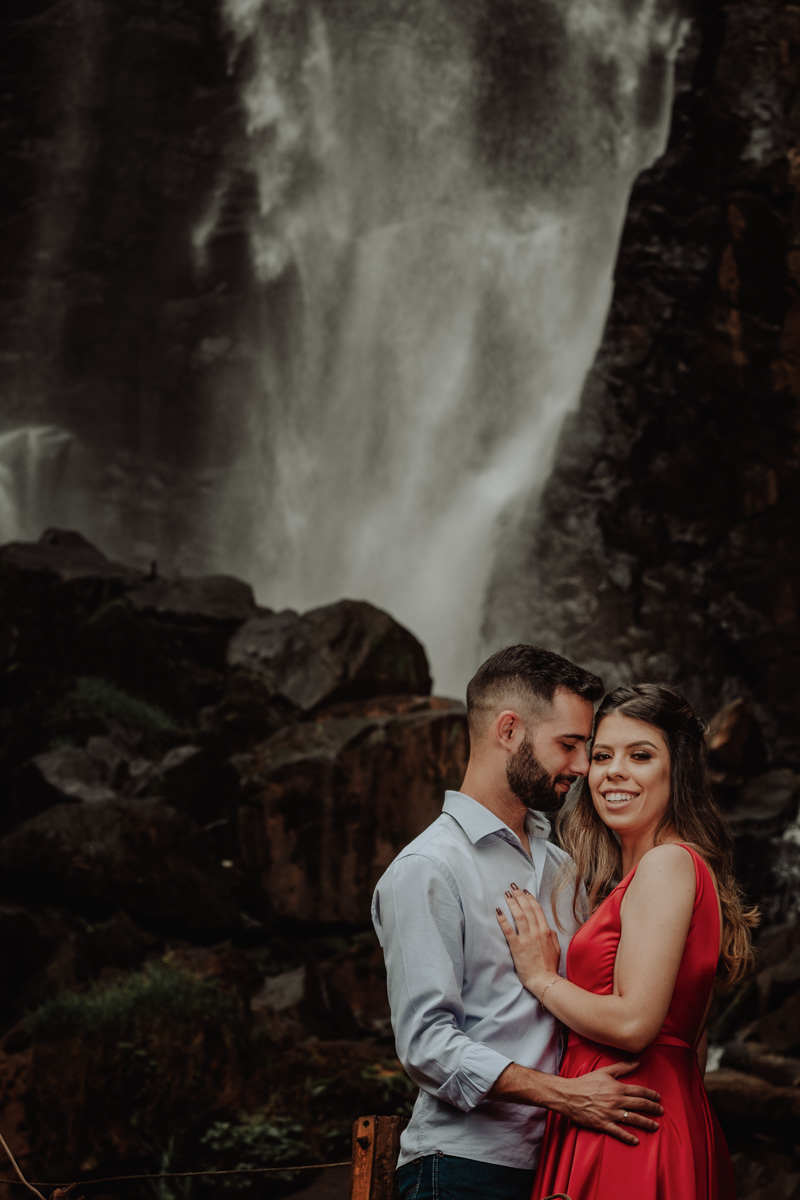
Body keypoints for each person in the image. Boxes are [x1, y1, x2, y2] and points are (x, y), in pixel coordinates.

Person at [371, 646, 664, 1200]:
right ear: (509, 730)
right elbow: (427, 1044)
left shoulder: (563, 868)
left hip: (563, 1163)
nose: (582, 767)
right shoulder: (427, 868)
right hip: (463, 1168)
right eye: (569, 745)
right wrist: (567, 1095)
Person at [497, 682, 758, 1200]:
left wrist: (541, 976)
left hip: (628, 1122)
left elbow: (637, 1024)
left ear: (676, 770)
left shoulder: (666, 864)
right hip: (638, 1110)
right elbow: (695, 1045)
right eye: (601, 755)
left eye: (640, 755)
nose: (614, 770)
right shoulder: (649, 874)